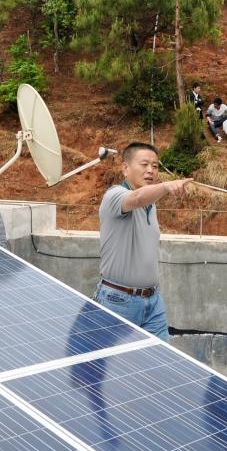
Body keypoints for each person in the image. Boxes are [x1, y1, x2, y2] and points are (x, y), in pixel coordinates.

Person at [96, 142, 191, 341]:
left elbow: (144, 198)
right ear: (125, 168)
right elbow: (137, 198)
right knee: (115, 360)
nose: (150, 170)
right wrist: (166, 186)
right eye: (144, 164)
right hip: (118, 300)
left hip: (153, 301)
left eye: (155, 166)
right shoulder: (114, 195)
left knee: (161, 357)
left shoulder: (151, 204)